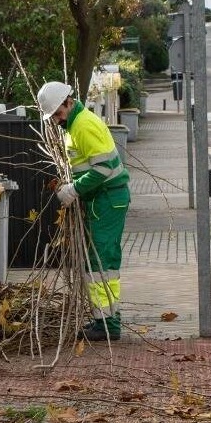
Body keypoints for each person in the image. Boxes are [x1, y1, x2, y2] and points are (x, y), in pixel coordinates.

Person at [37, 81, 129, 341]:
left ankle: (108, 324)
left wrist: (73, 190)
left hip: (107, 200)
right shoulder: (74, 125)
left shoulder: (83, 125)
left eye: (57, 113)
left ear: (68, 101)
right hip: (103, 200)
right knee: (100, 261)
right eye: (52, 116)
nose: (56, 120)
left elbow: (104, 168)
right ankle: (106, 319)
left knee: (101, 261)